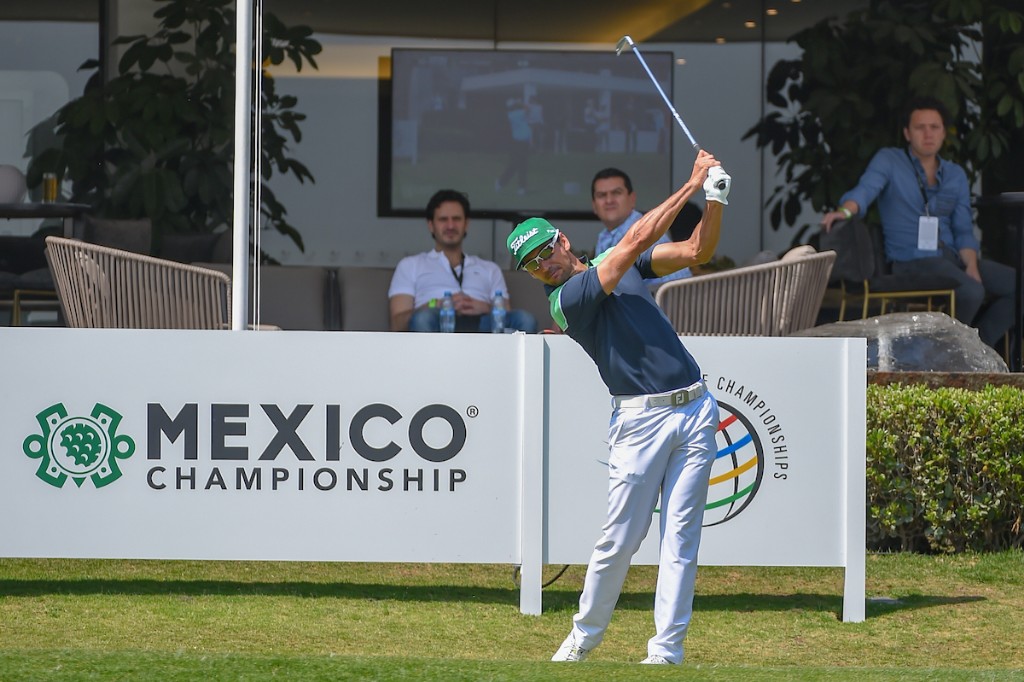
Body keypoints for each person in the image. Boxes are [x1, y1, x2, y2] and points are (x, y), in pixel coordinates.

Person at [506, 150, 731, 665]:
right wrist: (692, 183)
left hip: (695, 407)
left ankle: (666, 652)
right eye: (532, 265)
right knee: (620, 540)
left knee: (681, 539)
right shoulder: (567, 300)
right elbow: (634, 241)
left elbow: (697, 249)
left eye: (544, 252)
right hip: (640, 421)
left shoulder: (617, 263)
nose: (542, 265)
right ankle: (583, 637)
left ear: (562, 240)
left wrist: (715, 198)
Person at [821, 96, 1014, 349]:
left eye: (934, 127)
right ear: (907, 133)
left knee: (1017, 285)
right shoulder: (890, 160)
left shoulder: (955, 174)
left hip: (952, 259)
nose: (928, 134)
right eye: (920, 127)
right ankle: (948, 353)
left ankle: (976, 347)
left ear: (944, 132)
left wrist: (971, 265)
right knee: (971, 291)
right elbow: (865, 190)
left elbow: (963, 230)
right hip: (910, 260)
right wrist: (845, 212)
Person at [388, 189, 538, 333]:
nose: (450, 226)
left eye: (456, 219)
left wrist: (486, 307)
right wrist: (437, 304)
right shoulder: (410, 265)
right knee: (423, 318)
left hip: (482, 325)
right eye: (443, 219)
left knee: (524, 319)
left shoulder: (490, 268)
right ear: (431, 225)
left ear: (466, 223)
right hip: (435, 325)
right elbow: (397, 323)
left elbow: (505, 315)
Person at [592, 167, 692, 290]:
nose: (609, 200)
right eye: (602, 195)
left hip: (667, 299)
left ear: (632, 199)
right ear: (594, 205)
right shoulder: (605, 235)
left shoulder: (642, 231)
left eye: (616, 193)